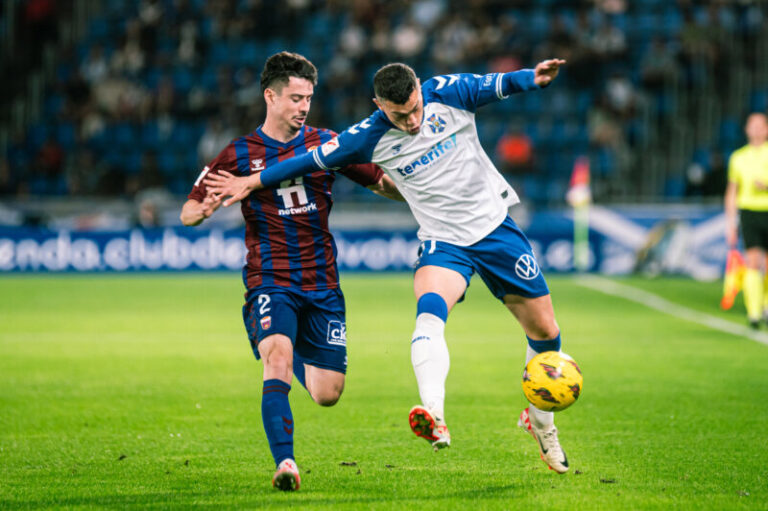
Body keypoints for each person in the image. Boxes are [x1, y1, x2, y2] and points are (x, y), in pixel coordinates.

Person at [205, 58, 572, 474]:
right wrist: (253, 181)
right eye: (401, 115)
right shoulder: (366, 136)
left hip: (496, 231)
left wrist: (533, 79)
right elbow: (305, 161)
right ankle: (435, 415)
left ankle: (541, 423)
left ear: (419, 87)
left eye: (416, 108)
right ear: (379, 105)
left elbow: (499, 83)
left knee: (546, 333)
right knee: (430, 313)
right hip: (443, 240)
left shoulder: (448, 92)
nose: (413, 120)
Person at [180, 51, 402, 491]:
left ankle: (285, 348)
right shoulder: (240, 152)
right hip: (270, 278)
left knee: (326, 393)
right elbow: (188, 210)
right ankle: (286, 464)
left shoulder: (327, 142)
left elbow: (379, 181)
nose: (304, 107)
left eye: (308, 99)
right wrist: (201, 210)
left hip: (322, 283)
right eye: (296, 98)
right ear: (271, 96)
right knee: (276, 358)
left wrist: (423, 198)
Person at [724, 112, 768, 328]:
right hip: (749, 212)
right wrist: (730, 222)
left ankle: (766, 304)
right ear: (747, 130)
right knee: (752, 261)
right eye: (753, 126)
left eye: (761, 126)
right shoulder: (738, 157)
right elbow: (731, 192)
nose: (757, 130)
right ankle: (754, 312)